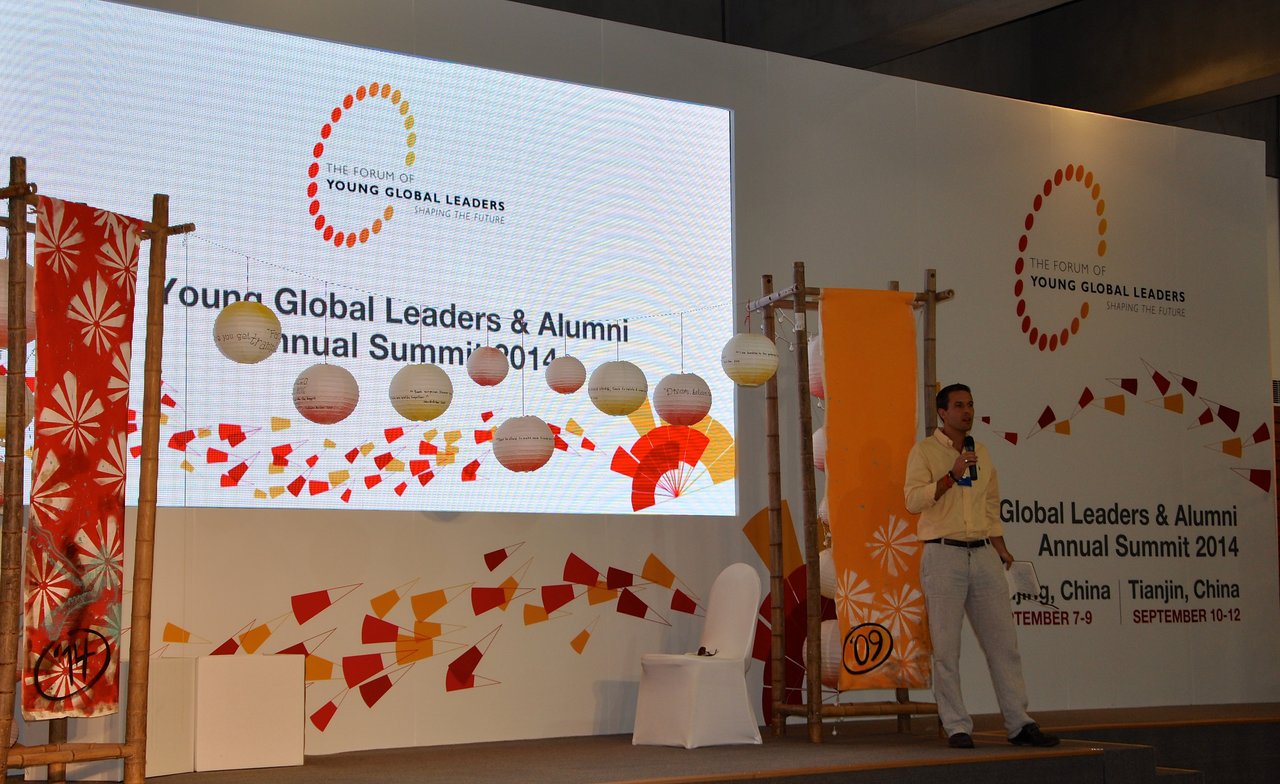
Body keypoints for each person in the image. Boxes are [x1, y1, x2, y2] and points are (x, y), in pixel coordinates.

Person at [903, 383, 1059, 749]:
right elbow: (911, 500)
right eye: (959, 405)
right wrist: (950, 476)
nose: (967, 412)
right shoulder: (924, 452)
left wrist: (1002, 548)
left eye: (970, 405)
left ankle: (1020, 723)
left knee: (1004, 644)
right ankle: (957, 726)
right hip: (943, 554)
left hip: (984, 553)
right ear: (942, 412)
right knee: (946, 649)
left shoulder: (982, 452)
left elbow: (991, 506)